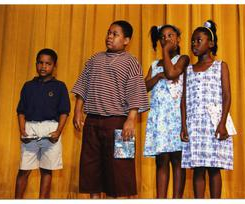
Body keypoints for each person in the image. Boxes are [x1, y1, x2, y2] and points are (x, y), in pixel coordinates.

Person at [72, 20, 149, 198]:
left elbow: (136, 91)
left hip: (119, 124)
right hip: (92, 122)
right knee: (91, 170)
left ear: (126, 40)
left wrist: (130, 120)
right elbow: (82, 86)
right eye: (108, 33)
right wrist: (78, 111)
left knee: (120, 172)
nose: (109, 37)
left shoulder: (131, 62)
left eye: (115, 34)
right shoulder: (94, 59)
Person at [180, 20, 234, 198]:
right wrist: (184, 126)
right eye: (192, 41)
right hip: (194, 124)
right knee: (198, 168)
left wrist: (222, 123)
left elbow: (226, 96)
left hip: (214, 124)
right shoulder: (188, 69)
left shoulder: (221, 66)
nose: (194, 44)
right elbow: (184, 99)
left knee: (214, 168)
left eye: (198, 40)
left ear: (210, 44)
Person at [15, 48, 70, 199]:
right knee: (24, 169)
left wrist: (58, 131)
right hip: (30, 128)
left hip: (51, 128)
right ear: (36, 64)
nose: (43, 67)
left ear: (54, 66)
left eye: (48, 63)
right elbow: (21, 111)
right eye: (40, 63)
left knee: (46, 170)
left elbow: (64, 112)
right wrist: (22, 130)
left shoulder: (60, 86)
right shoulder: (28, 86)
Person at [143, 24, 189, 198]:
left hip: (177, 118)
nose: (167, 39)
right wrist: (157, 76)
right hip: (160, 118)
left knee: (177, 159)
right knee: (161, 160)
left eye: (171, 36)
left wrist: (166, 54)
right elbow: (144, 87)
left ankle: (177, 199)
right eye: (163, 37)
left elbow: (171, 73)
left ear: (177, 39)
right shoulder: (155, 65)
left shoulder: (183, 59)